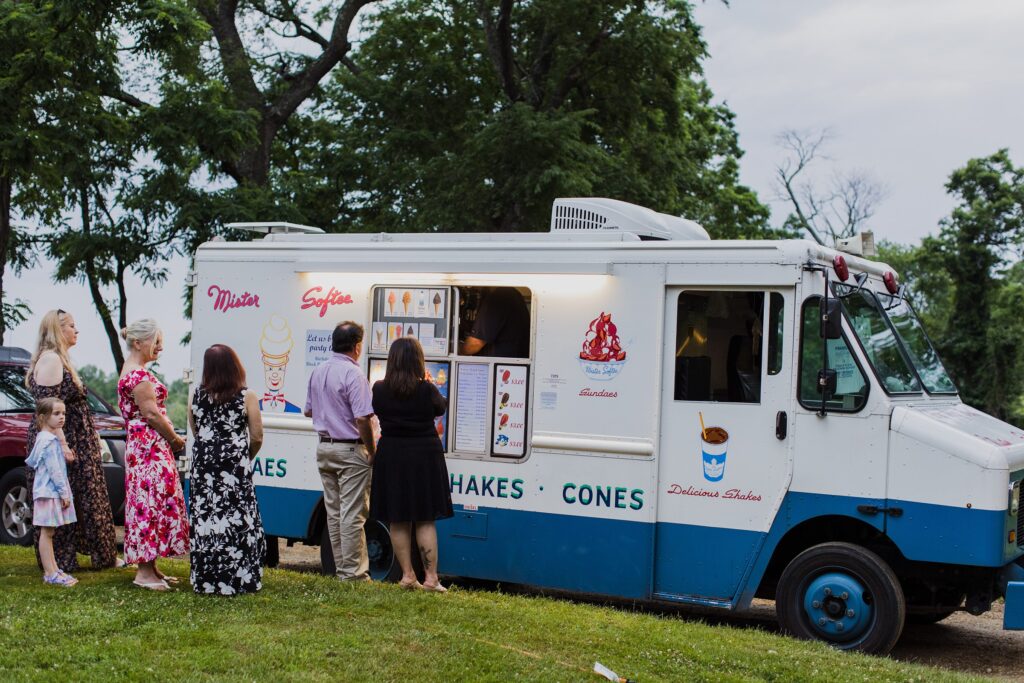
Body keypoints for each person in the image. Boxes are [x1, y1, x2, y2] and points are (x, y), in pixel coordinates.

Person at [24, 309, 118, 572]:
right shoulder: (52, 360)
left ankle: (102, 555)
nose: (77, 331)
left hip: (77, 438)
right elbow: (50, 409)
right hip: (63, 442)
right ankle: (59, 561)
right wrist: (63, 444)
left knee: (87, 496)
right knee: (61, 497)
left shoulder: (60, 359)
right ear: (58, 329)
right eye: (72, 326)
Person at [370, 337, 453, 592]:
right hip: (424, 455)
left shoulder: (379, 389)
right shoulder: (426, 389)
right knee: (425, 518)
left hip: (392, 454)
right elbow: (441, 408)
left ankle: (407, 575)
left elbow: (373, 411)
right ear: (418, 360)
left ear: (392, 361)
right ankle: (431, 578)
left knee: (398, 518)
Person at [117, 319, 189, 591]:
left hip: (146, 446)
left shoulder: (137, 371)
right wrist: (175, 439)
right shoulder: (137, 376)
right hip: (148, 447)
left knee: (156, 499)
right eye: (155, 341)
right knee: (148, 500)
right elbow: (150, 413)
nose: (160, 347)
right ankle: (144, 572)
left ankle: (152, 567)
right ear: (138, 343)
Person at [188, 344, 266, 595]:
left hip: (204, 467)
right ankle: (240, 579)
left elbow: (196, 431)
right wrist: (244, 458)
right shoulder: (247, 396)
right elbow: (257, 436)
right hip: (235, 469)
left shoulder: (195, 395)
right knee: (238, 519)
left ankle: (207, 579)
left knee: (206, 519)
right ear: (235, 366)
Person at [304, 321, 376, 581]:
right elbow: (363, 419)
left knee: (334, 512)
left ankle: (341, 569)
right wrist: (371, 450)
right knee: (353, 513)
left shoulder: (319, 371)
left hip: (324, 447)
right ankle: (353, 573)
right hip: (349, 449)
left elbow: (308, 410)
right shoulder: (354, 375)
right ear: (357, 346)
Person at [26, 398, 78, 587]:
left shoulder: (48, 438)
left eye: (63, 413)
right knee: (46, 533)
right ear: (43, 417)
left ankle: (54, 569)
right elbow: (55, 471)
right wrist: (64, 494)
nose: (62, 417)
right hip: (49, 493)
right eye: (56, 414)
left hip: (50, 492)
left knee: (50, 532)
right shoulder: (48, 441)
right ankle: (50, 572)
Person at [460, 287, 530, 358]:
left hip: (502, 364)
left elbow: (474, 344)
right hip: (514, 360)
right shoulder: (514, 294)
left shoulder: (499, 296)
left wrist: (457, 350)